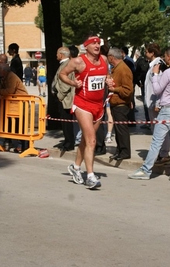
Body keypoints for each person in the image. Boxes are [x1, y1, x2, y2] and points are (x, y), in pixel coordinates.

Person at [128, 46, 170, 182]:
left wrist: (155, 75)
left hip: (167, 109)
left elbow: (157, 89)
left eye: (166, 56)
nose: (164, 58)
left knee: (157, 141)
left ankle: (146, 169)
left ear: (169, 57)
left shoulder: (167, 73)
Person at [59, 36, 110, 189]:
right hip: (83, 104)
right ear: (86, 47)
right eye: (93, 43)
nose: (97, 45)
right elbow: (62, 74)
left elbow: (106, 75)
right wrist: (73, 83)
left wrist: (109, 80)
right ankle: (90, 176)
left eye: (98, 43)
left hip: (98, 106)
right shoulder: (78, 61)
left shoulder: (104, 60)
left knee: (87, 141)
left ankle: (75, 167)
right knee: (92, 141)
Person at [144, 43, 170, 165]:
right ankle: (162, 153)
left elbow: (161, 87)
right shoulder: (153, 65)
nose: (145, 53)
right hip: (152, 103)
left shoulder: (158, 66)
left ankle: (164, 154)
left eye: (146, 51)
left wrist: (158, 103)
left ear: (152, 53)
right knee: (157, 129)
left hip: (156, 104)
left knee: (160, 130)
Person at [107, 47, 134, 161]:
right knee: (118, 130)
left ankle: (124, 152)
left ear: (112, 57)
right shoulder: (116, 68)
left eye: (108, 57)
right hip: (115, 103)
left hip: (121, 104)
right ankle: (120, 150)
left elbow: (128, 90)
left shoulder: (123, 69)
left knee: (122, 129)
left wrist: (114, 89)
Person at [0, 64, 29, 152]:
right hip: (13, 103)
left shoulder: (11, 77)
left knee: (20, 124)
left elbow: (9, 91)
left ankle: (23, 145)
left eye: (0, 70)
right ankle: (10, 142)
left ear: (4, 71)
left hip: (21, 102)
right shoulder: (4, 78)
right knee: (10, 123)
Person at [53, 47, 75, 152]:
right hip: (63, 97)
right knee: (64, 121)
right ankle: (67, 141)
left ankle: (69, 143)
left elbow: (67, 83)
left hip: (65, 98)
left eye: (57, 53)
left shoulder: (67, 64)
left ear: (61, 54)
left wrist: (60, 96)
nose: (56, 55)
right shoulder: (64, 64)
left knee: (67, 121)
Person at [134, 48, 150, 128]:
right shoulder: (142, 62)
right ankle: (149, 121)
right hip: (144, 85)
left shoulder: (154, 63)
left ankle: (150, 121)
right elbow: (137, 73)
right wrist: (138, 82)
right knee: (146, 103)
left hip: (149, 86)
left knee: (148, 103)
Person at [121, 46, 137, 127]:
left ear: (123, 52)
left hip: (129, 84)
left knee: (130, 101)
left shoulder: (128, 61)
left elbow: (133, 73)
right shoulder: (126, 60)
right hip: (129, 84)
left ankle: (131, 120)